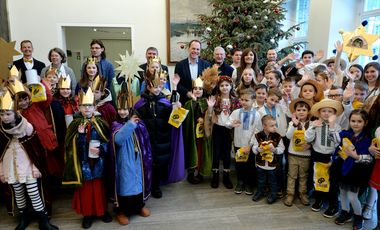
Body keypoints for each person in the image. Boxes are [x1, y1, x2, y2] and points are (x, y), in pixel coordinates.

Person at [0, 90, 58, 230]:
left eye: (8, 114)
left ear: (16, 113)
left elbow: (36, 149)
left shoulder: (27, 127)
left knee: (34, 192)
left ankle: (43, 221)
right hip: (10, 166)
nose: (5, 117)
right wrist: (1, 170)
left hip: (27, 165)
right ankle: (23, 218)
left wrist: (35, 167)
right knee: (18, 193)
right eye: (2, 114)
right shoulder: (1, 129)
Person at [63, 87, 112, 229]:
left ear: (94, 107)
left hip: (98, 162)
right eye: (84, 106)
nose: (87, 108)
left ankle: (101, 212)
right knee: (86, 189)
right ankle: (88, 214)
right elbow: (70, 145)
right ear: (79, 107)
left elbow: (107, 141)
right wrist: (81, 135)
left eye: (89, 105)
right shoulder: (75, 124)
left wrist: (101, 148)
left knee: (99, 188)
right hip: (83, 163)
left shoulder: (101, 122)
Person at [134, 71, 184, 198]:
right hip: (148, 139)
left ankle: (156, 185)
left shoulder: (165, 103)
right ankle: (149, 184)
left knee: (159, 163)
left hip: (162, 138)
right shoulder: (141, 104)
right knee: (148, 163)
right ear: (148, 86)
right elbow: (137, 121)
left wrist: (176, 109)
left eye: (160, 87)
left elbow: (174, 121)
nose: (157, 89)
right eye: (155, 87)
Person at [110, 83, 152, 225]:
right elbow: (119, 140)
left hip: (138, 160)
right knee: (126, 184)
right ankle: (122, 211)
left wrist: (134, 124)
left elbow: (144, 139)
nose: (122, 112)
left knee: (137, 183)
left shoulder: (137, 122)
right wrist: (130, 125)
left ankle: (138, 207)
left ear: (130, 109)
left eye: (125, 109)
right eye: (120, 109)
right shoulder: (116, 124)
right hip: (124, 161)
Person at [331, 110, 373, 230]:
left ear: (365, 123)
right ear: (349, 121)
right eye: (353, 121)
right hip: (342, 167)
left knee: (353, 196)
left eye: (359, 121)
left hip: (356, 170)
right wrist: (332, 125)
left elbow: (370, 159)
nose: (355, 124)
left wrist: (356, 156)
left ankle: (358, 216)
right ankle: (345, 212)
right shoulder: (345, 133)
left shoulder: (367, 138)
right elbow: (335, 140)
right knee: (342, 192)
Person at [305, 98, 343, 218]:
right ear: (319, 113)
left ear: (334, 114)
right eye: (324, 111)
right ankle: (319, 200)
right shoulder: (315, 124)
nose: (326, 113)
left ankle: (333, 205)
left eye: (330, 111)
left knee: (332, 182)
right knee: (318, 178)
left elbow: (337, 142)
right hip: (318, 155)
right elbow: (308, 139)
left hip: (332, 157)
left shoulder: (337, 127)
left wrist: (331, 127)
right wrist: (312, 127)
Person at [205, 76, 240, 189]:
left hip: (229, 130)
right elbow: (210, 116)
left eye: (227, 85)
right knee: (216, 152)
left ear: (231, 86)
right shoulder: (215, 99)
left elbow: (238, 115)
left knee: (226, 153)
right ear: (219, 87)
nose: (224, 87)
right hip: (218, 128)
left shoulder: (235, 100)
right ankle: (215, 175)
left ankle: (226, 175)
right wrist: (210, 107)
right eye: (222, 85)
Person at [227, 88, 262, 195]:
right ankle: (240, 182)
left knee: (250, 165)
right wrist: (231, 124)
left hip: (249, 145)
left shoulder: (256, 115)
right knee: (239, 164)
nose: (243, 102)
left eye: (246, 100)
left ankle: (249, 183)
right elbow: (227, 123)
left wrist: (250, 145)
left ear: (253, 101)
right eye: (242, 100)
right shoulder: (236, 112)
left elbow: (257, 131)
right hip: (238, 143)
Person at [182, 77, 212, 184]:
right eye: (195, 88)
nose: (198, 90)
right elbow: (187, 117)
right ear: (192, 90)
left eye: (200, 88)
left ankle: (200, 172)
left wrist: (203, 119)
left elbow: (209, 115)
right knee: (192, 151)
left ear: (203, 90)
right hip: (192, 134)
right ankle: (191, 173)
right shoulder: (188, 103)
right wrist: (194, 102)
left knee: (201, 152)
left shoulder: (205, 102)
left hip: (202, 135)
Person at [284, 98, 313, 207]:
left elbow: (311, 138)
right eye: (299, 110)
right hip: (293, 154)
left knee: (303, 176)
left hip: (306, 155)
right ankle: (290, 194)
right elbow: (288, 136)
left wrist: (309, 145)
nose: (301, 112)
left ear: (308, 112)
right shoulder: (292, 123)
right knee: (291, 175)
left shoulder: (311, 124)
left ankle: (302, 193)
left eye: (304, 110)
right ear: (295, 112)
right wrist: (295, 125)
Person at [251, 114, 285, 204]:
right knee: (260, 179)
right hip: (260, 164)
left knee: (273, 181)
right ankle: (260, 192)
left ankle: (273, 194)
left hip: (272, 165)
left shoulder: (278, 136)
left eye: (275, 125)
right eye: (272, 126)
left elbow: (282, 149)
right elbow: (254, 148)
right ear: (264, 126)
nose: (274, 127)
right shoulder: (257, 136)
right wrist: (258, 149)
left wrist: (275, 150)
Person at [175, 39, 210, 105]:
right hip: (185, 102)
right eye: (193, 48)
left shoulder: (206, 64)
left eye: (197, 49)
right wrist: (187, 93)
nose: (195, 51)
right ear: (188, 49)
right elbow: (178, 84)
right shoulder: (180, 65)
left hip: (202, 102)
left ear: (200, 51)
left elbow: (208, 84)